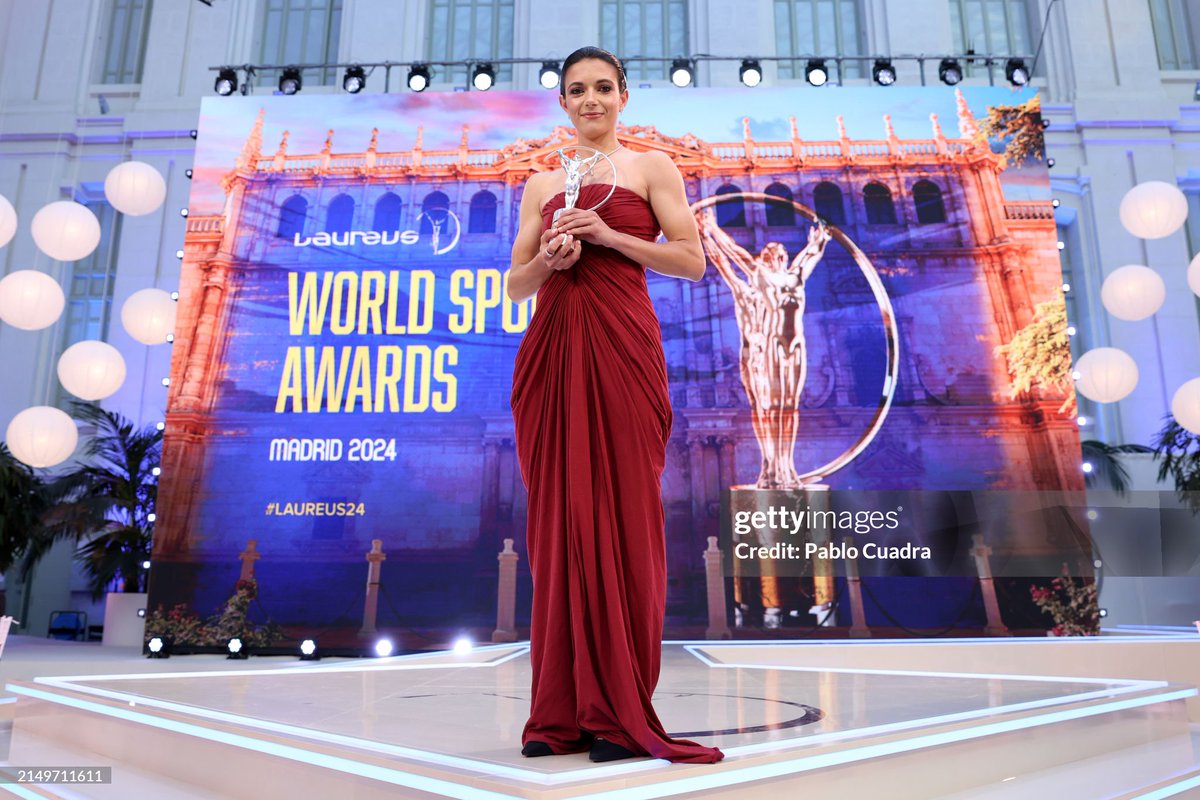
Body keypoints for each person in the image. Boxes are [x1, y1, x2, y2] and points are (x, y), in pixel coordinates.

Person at [506, 46, 725, 765]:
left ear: (623, 95)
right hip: (554, 351)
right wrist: (552, 261)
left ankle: (613, 712)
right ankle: (557, 714)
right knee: (557, 525)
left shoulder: (652, 168)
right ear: (562, 103)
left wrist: (611, 238)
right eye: (577, 90)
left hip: (624, 349)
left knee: (626, 518)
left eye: (603, 87)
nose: (590, 99)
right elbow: (515, 284)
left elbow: (692, 259)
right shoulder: (539, 183)